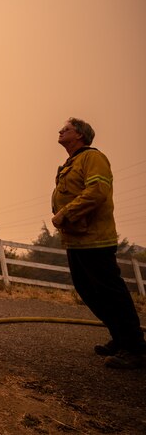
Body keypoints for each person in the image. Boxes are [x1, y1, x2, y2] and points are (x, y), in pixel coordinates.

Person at [52, 117, 145, 369]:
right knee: (89, 291)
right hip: (77, 241)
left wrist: (65, 213)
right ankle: (120, 337)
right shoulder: (71, 163)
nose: (60, 131)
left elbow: (97, 192)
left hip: (95, 240)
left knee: (110, 292)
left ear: (80, 135)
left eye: (67, 129)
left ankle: (136, 348)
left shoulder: (93, 158)